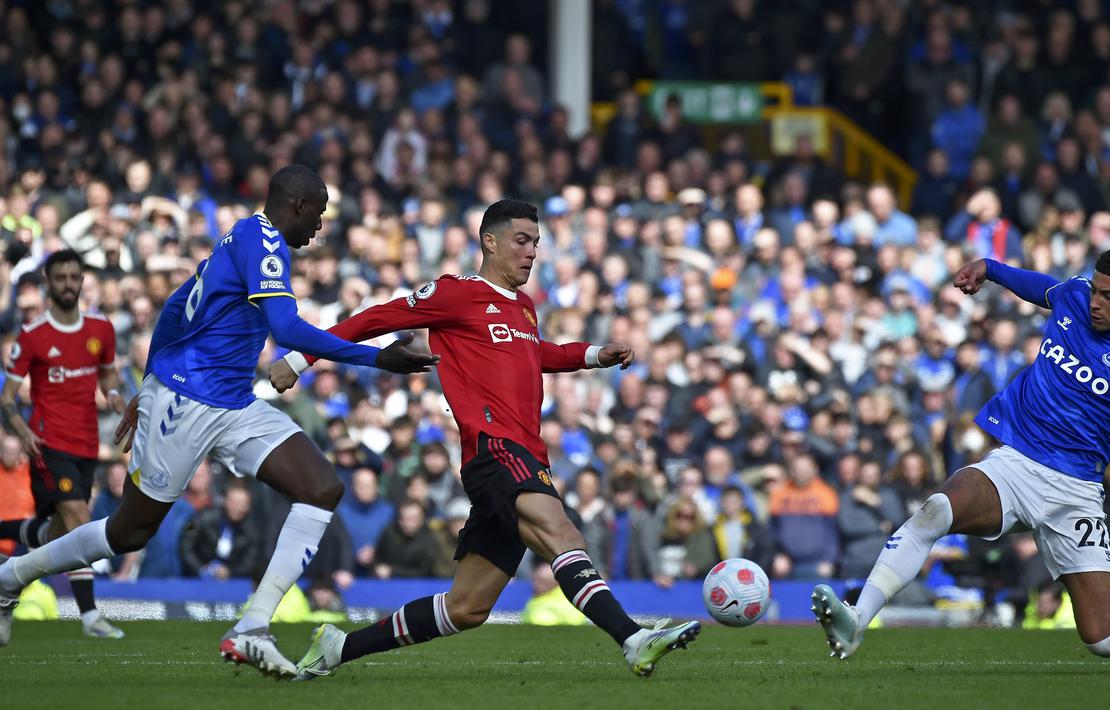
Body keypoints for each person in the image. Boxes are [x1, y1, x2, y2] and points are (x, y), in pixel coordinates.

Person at [0, 165, 438, 673]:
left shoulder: (244, 236)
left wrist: (149, 378)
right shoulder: (265, 243)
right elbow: (286, 328)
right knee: (127, 533)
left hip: (230, 401)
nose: (319, 228)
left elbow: (174, 306)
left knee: (321, 487)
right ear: (296, 206)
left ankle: (251, 627)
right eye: (317, 216)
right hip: (186, 403)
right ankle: (12, 577)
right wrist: (375, 357)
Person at [272, 199, 700, 679]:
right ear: (489, 241)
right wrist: (298, 359)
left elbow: (539, 354)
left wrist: (596, 353)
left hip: (525, 453)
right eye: (522, 240)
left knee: (466, 608)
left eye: (536, 243)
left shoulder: (524, 307)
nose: (532, 252)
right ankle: (633, 638)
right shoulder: (457, 294)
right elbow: (378, 317)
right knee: (562, 532)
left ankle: (336, 649)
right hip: (495, 449)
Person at [814, 246, 1110, 660]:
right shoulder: (1074, 295)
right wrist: (990, 268)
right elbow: (1042, 288)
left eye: (1109, 296)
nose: (1096, 302)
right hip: (1015, 463)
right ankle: (855, 621)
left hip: (1075, 491)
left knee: (1104, 642)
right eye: (1096, 290)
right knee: (935, 511)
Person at [0, 249, 126, 639]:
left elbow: (107, 378)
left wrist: (118, 398)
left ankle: (5, 584)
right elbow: (9, 396)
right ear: (49, 285)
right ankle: (89, 615)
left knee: (59, 536)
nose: (69, 284)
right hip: (48, 442)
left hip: (87, 442)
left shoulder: (101, 329)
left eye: (75, 277)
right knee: (78, 519)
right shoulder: (33, 335)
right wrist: (23, 430)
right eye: (61, 278)